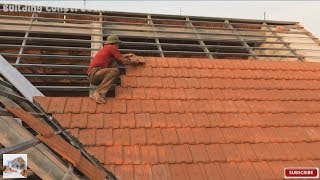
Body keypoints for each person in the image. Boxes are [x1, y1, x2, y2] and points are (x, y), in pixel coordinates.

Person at [87, 35, 142, 103]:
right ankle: (98, 93)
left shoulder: (107, 49)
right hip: (95, 73)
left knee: (114, 61)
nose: (118, 46)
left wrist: (128, 54)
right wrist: (134, 62)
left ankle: (115, 80)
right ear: (115, 44)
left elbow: (118, 56)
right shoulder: (111, 48)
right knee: (115, 71)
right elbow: (123, 61)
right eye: (118, 44)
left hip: (95, 74)